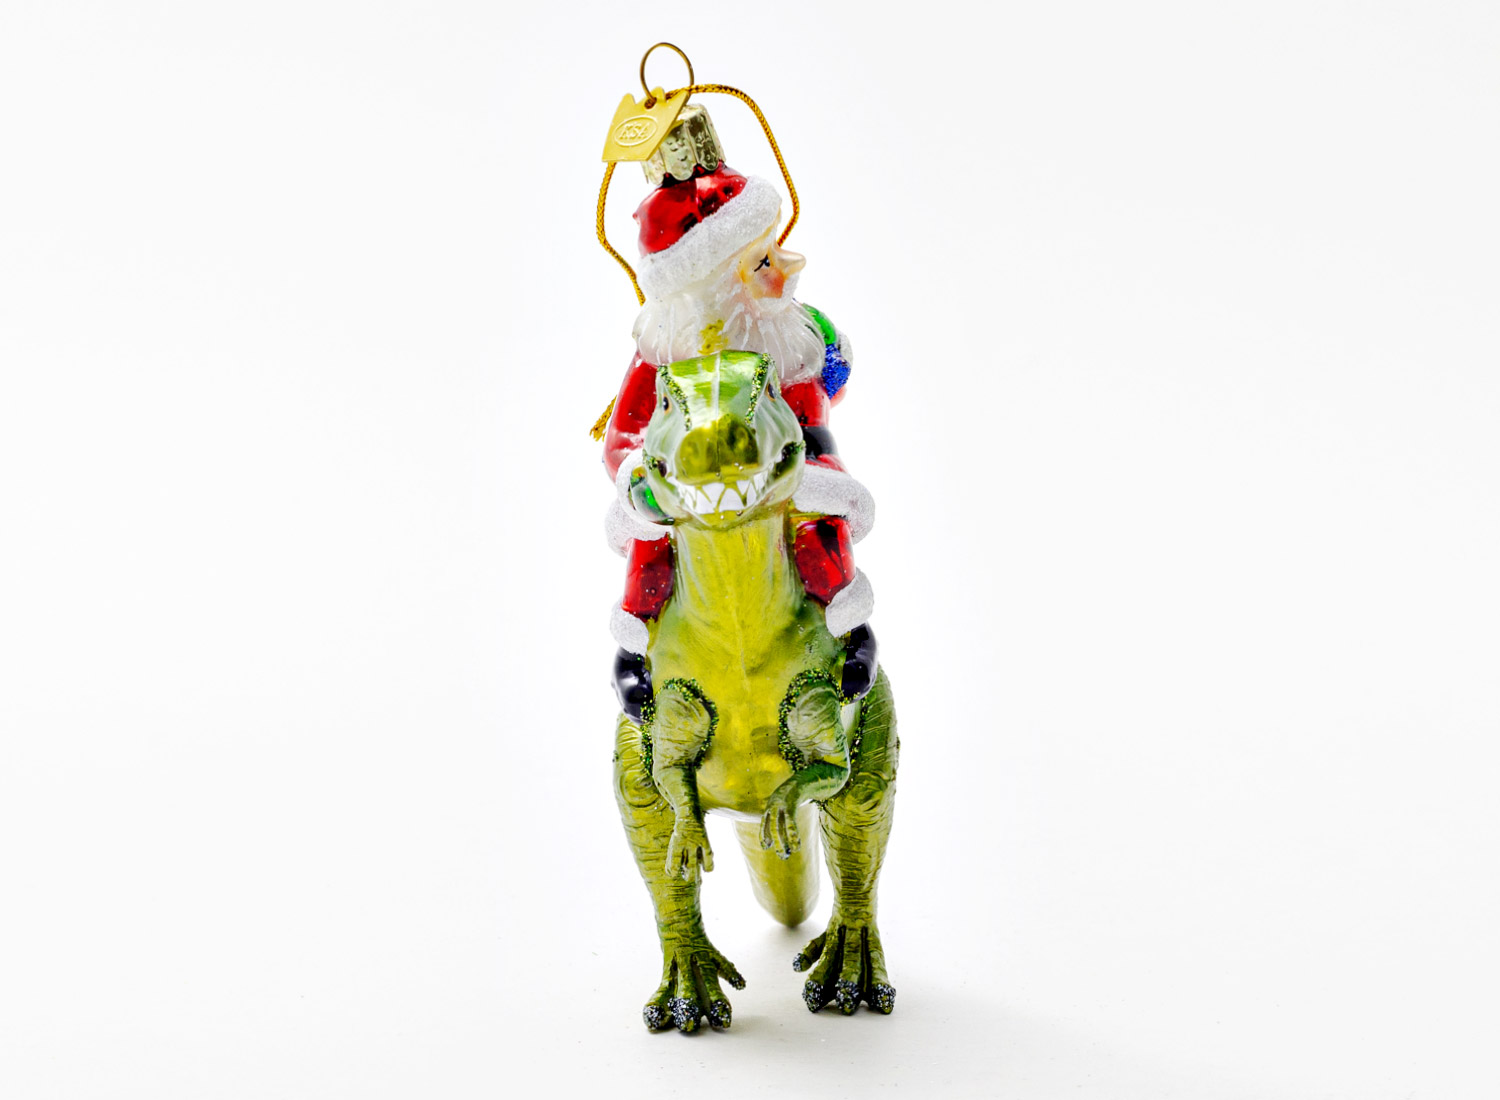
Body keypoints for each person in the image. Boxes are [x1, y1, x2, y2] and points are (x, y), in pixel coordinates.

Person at [602, 106, 876, 718]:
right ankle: (635, 646)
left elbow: (820, 395)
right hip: (690, 478)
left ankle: (848, 624)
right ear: (711, 288)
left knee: (820, 515)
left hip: (787, 463)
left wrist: (812, 447)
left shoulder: (787, 338)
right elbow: (623, 436)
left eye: (773, 251)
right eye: (761, 263)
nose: (787, 270)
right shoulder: (666, 357)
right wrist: (642, 479)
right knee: (653, 541)